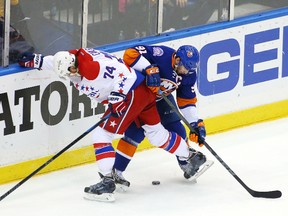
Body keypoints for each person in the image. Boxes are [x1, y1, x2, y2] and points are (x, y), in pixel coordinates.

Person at [18, 47, 208, 202]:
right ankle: (189, 155)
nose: (71, 74)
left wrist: (118, 94)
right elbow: (59, 62)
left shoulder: (90, 68)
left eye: (70, 71)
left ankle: (107, 182)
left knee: (101, 135)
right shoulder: (73, 57)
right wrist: (37, 61)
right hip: (144, 92)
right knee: (155, 133)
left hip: (131, 93)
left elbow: (123, 73)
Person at [112, 44, 213, 189]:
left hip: (160, 99)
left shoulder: (189, 74)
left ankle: (186, 163)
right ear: (177, 59)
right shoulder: (161, 54)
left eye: (189, 69)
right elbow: (129, 54)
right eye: (184, 67)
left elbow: (186, 100)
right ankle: (116, 172)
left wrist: (194, 123)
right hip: (139, 98)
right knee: (134, 134)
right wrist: (148, 69)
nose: (186, 71)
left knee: (177, 128)